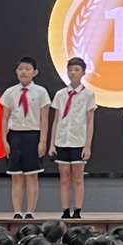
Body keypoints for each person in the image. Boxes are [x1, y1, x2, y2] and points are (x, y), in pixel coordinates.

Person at [0, 56, 51, 219]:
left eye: (27, 69)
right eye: (20, 69)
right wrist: (4, 140)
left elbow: (44, 118)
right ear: (16, 71)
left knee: (32, 175)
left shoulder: (41, 92)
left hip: (33, 135)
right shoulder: (10, 92)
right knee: (16, 176)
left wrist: (43, 141)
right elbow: (5, 117)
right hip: (14, 136)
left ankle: (30, 211)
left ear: (35, 72)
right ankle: (17, 211)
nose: (23, 72)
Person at [48, 57, 96, 219]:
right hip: (62, 140)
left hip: (78, 141)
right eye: (70, 70)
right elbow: (56, 120)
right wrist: (52, 144)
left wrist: (87, 146)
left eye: (76, 70)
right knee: (64, 178)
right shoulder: (60, 94)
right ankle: (65, 210)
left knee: (77, 178)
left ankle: (77, 210)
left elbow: (90, 122)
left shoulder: (88, 95)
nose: (73, 73)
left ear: (83, 72)